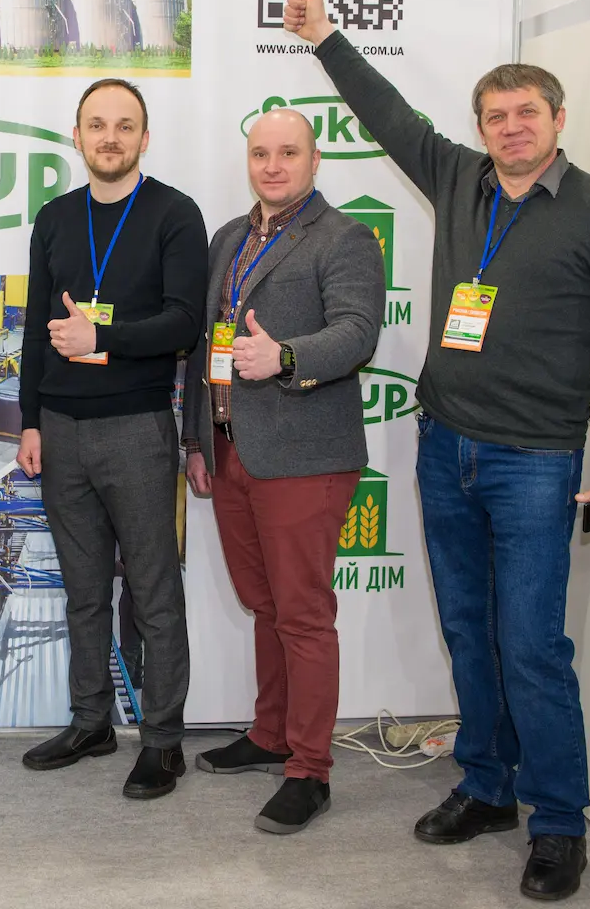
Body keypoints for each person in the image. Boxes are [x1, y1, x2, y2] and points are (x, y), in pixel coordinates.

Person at [285, 0, 590, 898]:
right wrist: (326, 37)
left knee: (531, 645)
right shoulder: (459, 179)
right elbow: (387, 114)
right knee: (467, 629)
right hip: (445, 444)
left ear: (558, 120)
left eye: (527, 113)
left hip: (535, 461)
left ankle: (559, 821)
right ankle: (488, 786)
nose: (511, 128)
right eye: (496, 116)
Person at [182, 108, 385, 834]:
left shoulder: (346, 237)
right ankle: (271, 735)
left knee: (302, 615)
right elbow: (205, 346)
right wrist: (197, 439)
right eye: (261, 153)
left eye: (288, 153)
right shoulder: (228, 239)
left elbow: (357, 333)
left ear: (315, 159)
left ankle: (310, 770)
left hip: (304, 455)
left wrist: (285, 356)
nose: (273, 166)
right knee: (264, 604)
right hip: (231, 449)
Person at [17, 78, 209, 799]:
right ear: (77, 137)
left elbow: (184, 322)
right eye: (96, 124)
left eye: (124, 125)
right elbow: (35, 328)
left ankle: (162, 741)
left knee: (154, 593)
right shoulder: (55, 218)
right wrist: (29, 420)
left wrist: (104, 337)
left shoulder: (174, 214)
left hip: (136, 427)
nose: (109, 137)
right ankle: (91, 720)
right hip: (60, 429)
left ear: (144, 138)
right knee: (83, 590)